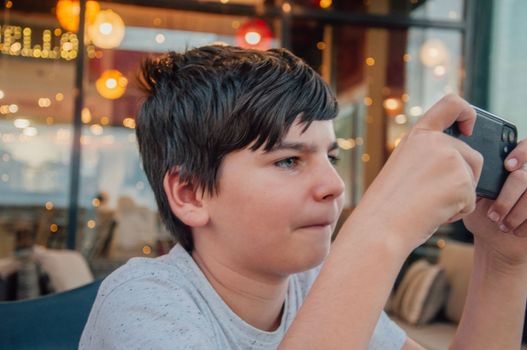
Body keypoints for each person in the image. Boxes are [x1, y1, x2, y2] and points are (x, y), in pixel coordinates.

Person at [80, 45, 527, 349]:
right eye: (289, 161)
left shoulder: (307, 286)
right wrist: (381, 229)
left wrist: (504, 258)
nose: (334, 184)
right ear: (190, 193)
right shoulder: (142, 301)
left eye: (330, 155)